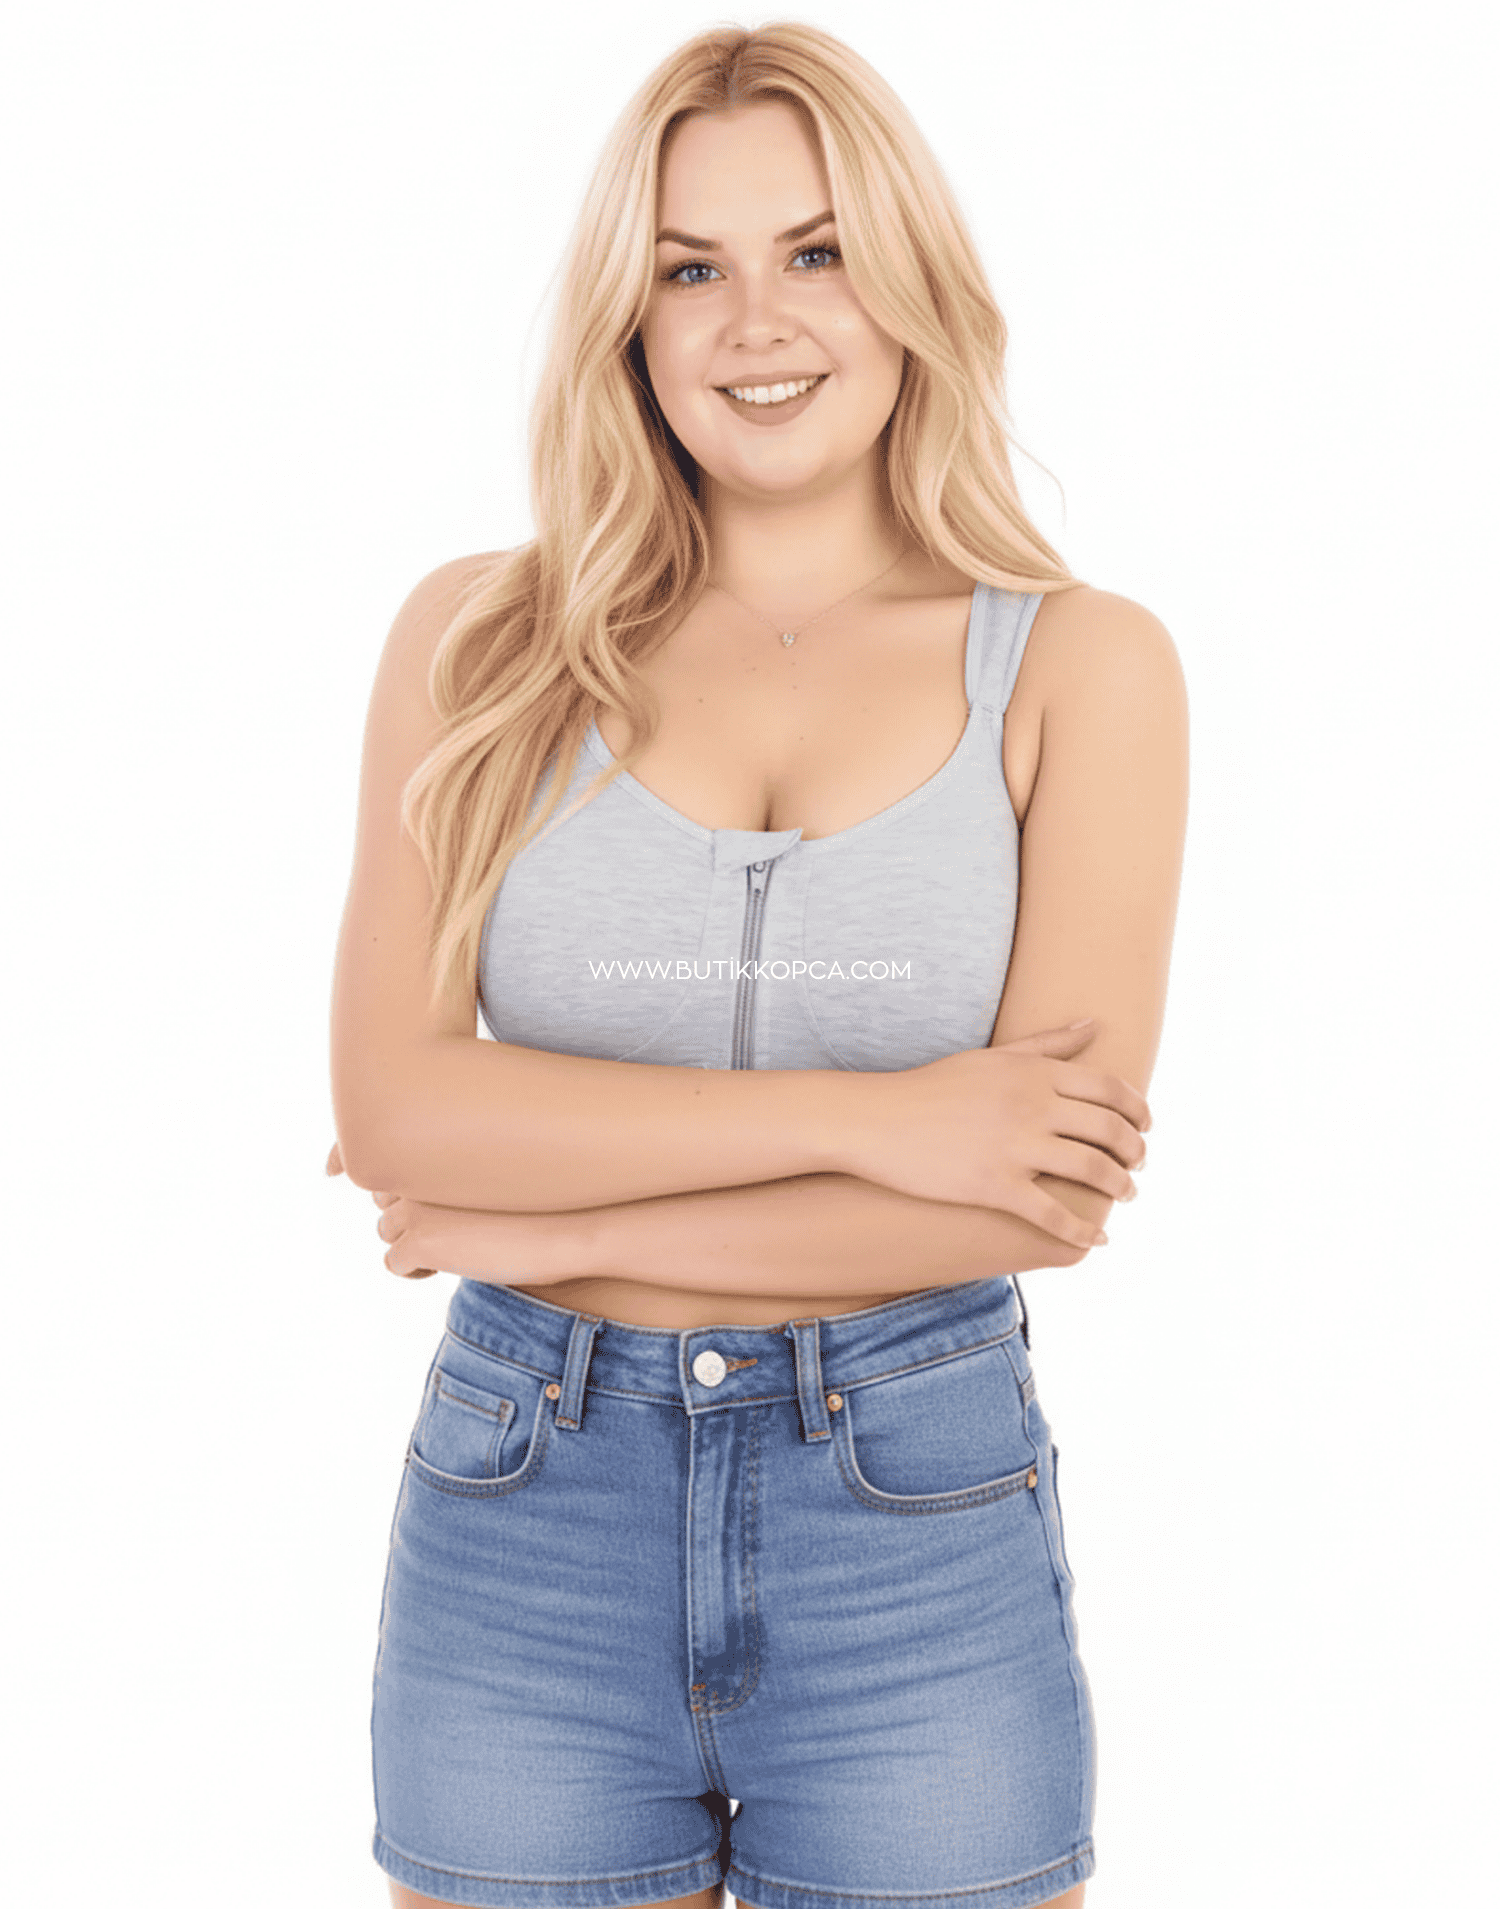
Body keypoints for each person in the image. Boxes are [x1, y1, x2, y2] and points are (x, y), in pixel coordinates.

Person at [327, 21, 1188, 1909]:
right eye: (689, 270)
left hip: (917, 1524)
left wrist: (541, 1222)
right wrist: (883, 1122)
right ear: (626, 323)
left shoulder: (1078, 666)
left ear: (912, 281)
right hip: (526, 1517)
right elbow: (398, 1113)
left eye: (817, 251)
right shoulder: (478, 645)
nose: (757, 323)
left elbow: (1031, 1199)